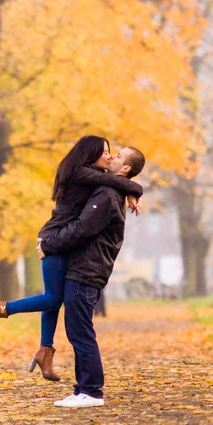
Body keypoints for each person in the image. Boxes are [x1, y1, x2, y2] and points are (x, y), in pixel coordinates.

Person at [0, 136, 144, 382]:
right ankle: (0, 308)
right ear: (90, 153)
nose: (109, 156)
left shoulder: (88, 173)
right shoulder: (80, 172)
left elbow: (112, 182)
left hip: (64, 240)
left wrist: (128, 191)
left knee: (53, 298)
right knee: (53, 298)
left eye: (113, 154)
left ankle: (45, 351)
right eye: (106, 152)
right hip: (55, 239)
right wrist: (133, 189)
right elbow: (114, 181)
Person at [42, 146, 146, 408]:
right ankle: (82, 389)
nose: (111, 156)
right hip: (85, 268)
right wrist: (132, 189)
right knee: (78, 330)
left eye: (118, 155)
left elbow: (82, 228)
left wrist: (49, 245)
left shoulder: (108, 194)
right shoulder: (111, 189)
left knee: (81, 332)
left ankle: (91, 391)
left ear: (125, 170)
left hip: (86, 270)